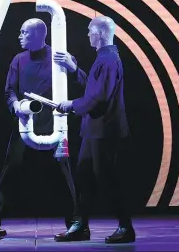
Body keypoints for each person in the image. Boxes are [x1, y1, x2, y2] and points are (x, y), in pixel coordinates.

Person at [0, 18, 88, 241]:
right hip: (25, 124)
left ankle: (76, 223)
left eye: (24, 32)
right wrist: (15, 106)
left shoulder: (60, 57)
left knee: (64, 173)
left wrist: (74, 68)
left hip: (56, 125)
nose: (19, 36)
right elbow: (9, 91)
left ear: (40, 35)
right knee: (9, 172)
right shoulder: (18, 60)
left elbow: (86, 86)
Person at [54, 16, 136, 244]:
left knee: (106, 179)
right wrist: (74, 69)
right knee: (84, 177)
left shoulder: (108, 60)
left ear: (100, 33)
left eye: (90, 30)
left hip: (104, 131)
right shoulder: (104, 59)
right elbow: (94, 87)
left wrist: (71, 105)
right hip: (94, 130)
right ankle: (81, 226)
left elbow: (98, 98)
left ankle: (125, 227)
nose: (87, 34)